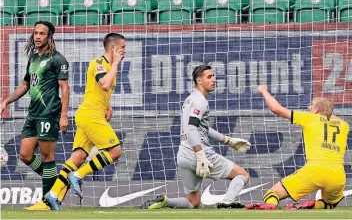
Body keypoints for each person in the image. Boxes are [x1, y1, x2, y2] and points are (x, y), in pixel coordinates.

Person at [141, 65, 251, 210]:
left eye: (214, 76)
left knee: (193, 202)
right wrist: (200, 155)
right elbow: (191, 128)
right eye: (209, 77)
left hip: (183, 155)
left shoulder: (189, 100)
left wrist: (228, 140)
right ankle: (227, 202)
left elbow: (201, 127)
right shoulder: (200, 101)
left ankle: (166, 201)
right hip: (199, 154)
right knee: (242, 175)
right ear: (199, 81)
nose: (214, 80)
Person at [44, 33, 125, 210]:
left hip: (91, 113)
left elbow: (100, 91)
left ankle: (52, 194)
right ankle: (78, 175)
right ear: (113, 48)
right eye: (123, 47)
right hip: (90, 115)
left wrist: (108, 105)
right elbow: (103, 84)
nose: (124, 51)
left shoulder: (110, 66)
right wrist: (116, 64)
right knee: (115, 151)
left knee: (78, 156)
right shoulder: (98, 63)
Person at [0, 21, 70, 210]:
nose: (37, 37)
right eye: (35, 33)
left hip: (49, 113)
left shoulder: (58, 59)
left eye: (42, 34)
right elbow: (25, 85)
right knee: (25, 154)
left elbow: (64, 89)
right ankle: (58, 185)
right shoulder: (33, 58)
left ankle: (47, 201)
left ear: (49, 37)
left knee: (47, 157)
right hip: (33, 113)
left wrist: (64, 115)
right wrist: (6, 101)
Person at [246, 85, 349, 210]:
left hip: (315, 171)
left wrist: (264, 91)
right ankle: (312, 205)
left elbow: (276, 108)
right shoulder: (344, 125)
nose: (309, 108)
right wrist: (326, 108)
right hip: (338, 176)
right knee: (330, 204)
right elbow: (330, 116)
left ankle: (271, 205)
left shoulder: (310, 118)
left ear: (316, 110)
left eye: (311, 106)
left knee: (272, 194)